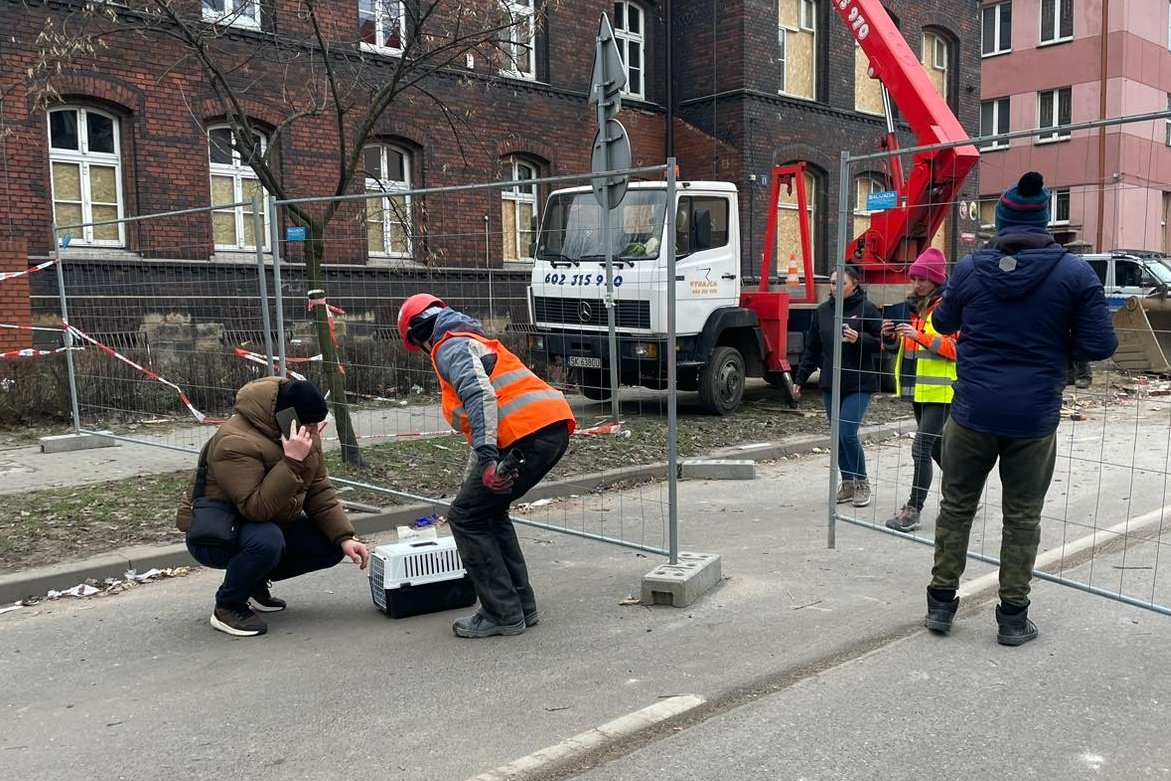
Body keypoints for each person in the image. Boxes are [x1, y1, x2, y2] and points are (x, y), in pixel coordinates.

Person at [923, 171, 1118, 646]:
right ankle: (1012, 617)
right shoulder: (1074, 274)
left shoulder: (969, 268)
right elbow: (1100, 344)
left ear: (1001, 221)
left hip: (971, 412)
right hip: (1033, 417)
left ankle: (941, 606)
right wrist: (1056, 342)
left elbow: (943, 321)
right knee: (1022, 516)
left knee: (956, 507)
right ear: (1045, 222)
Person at [397, 293, 576, 638]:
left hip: (527, 438)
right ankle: (521, 607)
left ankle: (501, 613)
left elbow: (481, 397)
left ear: (419, 334)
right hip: (545, 431)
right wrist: (482, 466)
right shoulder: (471, 340)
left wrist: (490, 459)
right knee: (488, 513)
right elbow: (484, 418)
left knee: (466, 517)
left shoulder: (450, 347)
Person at [176, 377, 370, 637]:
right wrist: (291, 462)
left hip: (264, 525)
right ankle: (228, 606)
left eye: (317, 425)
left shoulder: (301, 435)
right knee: (267, 540)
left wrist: (345, 537)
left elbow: (319, 491)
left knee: (329, 543)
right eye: (308, 424)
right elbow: (255, 508)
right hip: (216, 535)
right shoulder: (235, 442)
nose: (313, 432)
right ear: (286, 416)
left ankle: (253, 583)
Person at [793, 265, 883, 508]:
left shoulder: (867, 309)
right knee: (837, 436)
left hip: (859, 382)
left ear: (854, 284)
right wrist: (800, 379)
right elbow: (812, 348)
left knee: (847, 433)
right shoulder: (822, 311)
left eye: (840, 283)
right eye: (832, 283)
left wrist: (859, 339)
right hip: (831, 383)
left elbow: (882, 343)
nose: (835, 287)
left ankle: (862, 482)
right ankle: (848, 483)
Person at [881, 248, 957, 533]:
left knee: (921, 447)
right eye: (914, 279)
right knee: (935, 447)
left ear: (936, 279)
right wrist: (890, 339)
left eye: (922, 279)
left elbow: (957, 350)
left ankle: (913, 510)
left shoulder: (949, 309)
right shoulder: (914, 308)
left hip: (941, 391)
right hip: (915, 389)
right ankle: (965, 492)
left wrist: (921, 337)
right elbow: (903, 348)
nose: (916, 284)